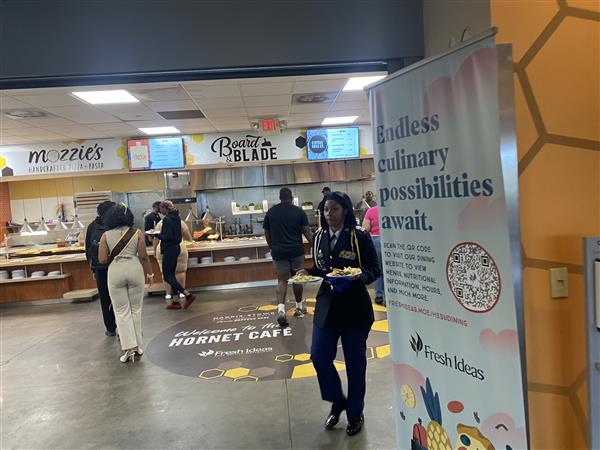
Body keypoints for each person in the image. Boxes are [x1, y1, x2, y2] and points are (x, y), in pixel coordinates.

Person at [296, 191, 381, 436]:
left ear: (345, 210)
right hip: (327, 307)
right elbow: (321, 268)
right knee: (319, 357)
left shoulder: (359, 236)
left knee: (355, 364)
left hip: (355, 308)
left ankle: (355, 413)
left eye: (333, 209)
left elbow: (374, 269)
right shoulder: (319, 237)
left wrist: (357, 278)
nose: (328, 214)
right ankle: (337, 400)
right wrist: (306, 272)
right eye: (325, 209)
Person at [98, 204, 154, 363]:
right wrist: (150, 273)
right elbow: (143, 256)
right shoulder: (137, 233)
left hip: (115, 272)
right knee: (136, 309)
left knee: (121, 311)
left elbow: (102, 259)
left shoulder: (105, 236)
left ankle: (129, 349)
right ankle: (138, 346)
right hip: (135, 269)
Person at [263, 187, 313, 327]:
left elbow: (267, 234)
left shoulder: (271, 212)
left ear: (280, 198)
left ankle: (281, 311)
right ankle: (299, 307)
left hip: (279, 252)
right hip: (296, 251)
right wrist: (316, 246)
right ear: (291, 198)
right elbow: (307, 232)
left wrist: (273, 247)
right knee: (297, 279)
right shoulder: (299, 211)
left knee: (282, 280)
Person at [84, 200, 118, 337]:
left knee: (105, 298)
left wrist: (93, 269)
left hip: (100, 268)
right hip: (117, 265)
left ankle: (110, 328)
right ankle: (122, 327)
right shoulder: (116, 225)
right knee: (120, 297)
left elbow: (88, 250)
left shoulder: (92, 226)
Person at [156, 201, 196, 309]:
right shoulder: (176, 218)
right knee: (172, 275)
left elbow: (167, 237)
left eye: (161, 209)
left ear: (164, 208)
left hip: (169, 249)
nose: (160, 211)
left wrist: (156, 235)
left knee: (167, 276)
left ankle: (188, 295)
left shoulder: (167, 220)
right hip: (176, 248)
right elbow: (176, 236)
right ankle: (176, 301)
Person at [362, 205, 384, 305]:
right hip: (392, 241)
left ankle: (379, 296)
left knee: (378, 270)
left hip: (376, 240)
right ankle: (391, 296)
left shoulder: (371, 211)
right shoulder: (392, 209)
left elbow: (365, 229)